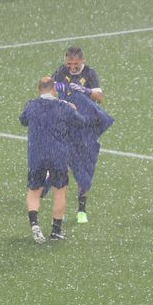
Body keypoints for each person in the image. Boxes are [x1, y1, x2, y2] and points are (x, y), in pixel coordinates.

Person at [19, 77, 86, 243]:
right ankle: (56, 231)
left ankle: (34, 224)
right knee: (59, 191)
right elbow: (81, 122)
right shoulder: (63, 107)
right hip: (58, 155)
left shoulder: (31, 105)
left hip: (36, 155)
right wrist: (72, 108)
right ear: (54, 90)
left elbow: (23, 120)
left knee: (34, 191)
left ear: (38, 89)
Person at [52, 46, 105, 222]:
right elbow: (48, 89)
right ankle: (60, 211)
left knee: (83, 167)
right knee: (62, 166)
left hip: (84, 126)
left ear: (82, 60)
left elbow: (100, 97)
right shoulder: (61, 71)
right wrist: (57, 86)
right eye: (69, 63)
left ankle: (82, 209)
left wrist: (85, 91)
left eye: (75, 64)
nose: (72, 67)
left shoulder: (89, 73)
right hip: (65, 124)